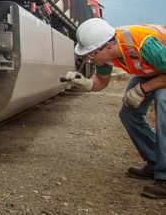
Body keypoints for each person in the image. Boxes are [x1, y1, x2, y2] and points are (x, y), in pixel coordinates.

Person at [65, 18, 166, 199]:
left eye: (91, 54)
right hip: (152, 69)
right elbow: (101, 81)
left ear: (108, 47)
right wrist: (86, 83)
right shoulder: (105, 53)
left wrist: (144, 88)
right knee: (128, 114)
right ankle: (156, 161)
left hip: (162, 65)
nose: (89, 58)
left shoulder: (143, 45)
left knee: (163, 103)